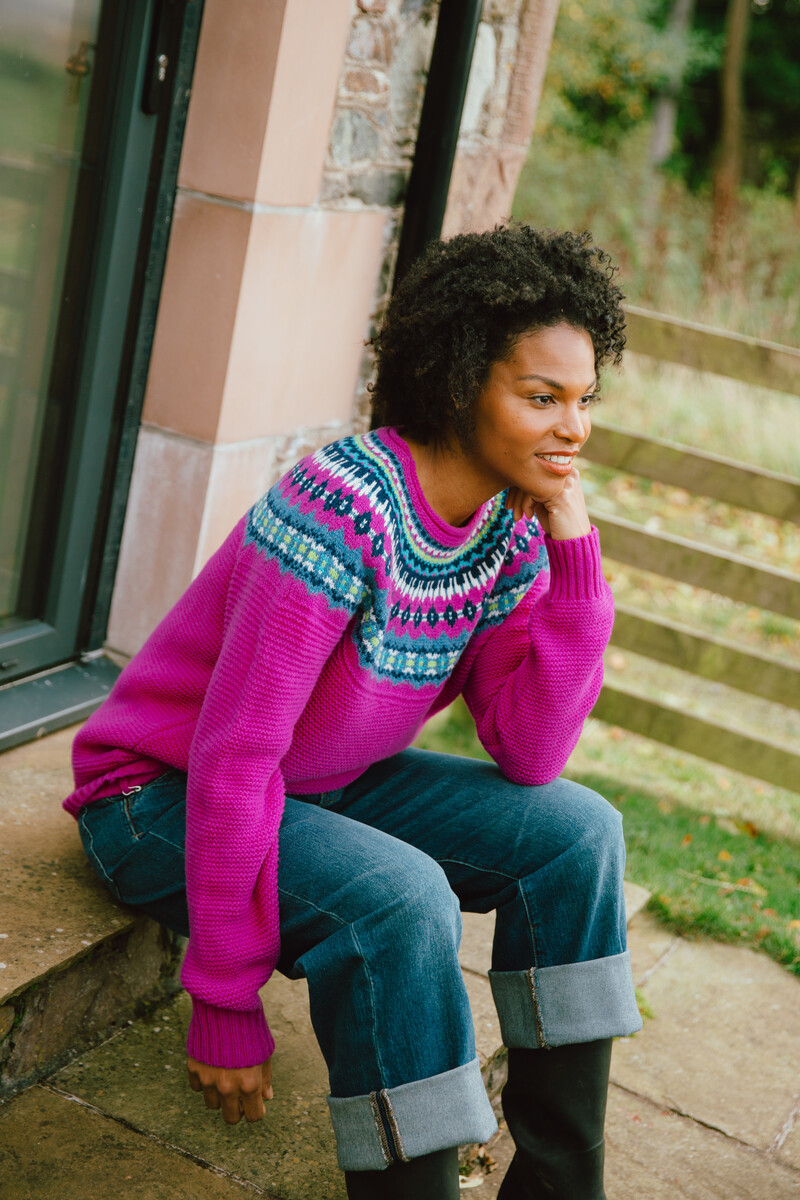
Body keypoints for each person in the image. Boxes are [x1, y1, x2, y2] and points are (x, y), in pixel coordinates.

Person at [64, 224, 642, 1199]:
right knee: (402, 896)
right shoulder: (344, 508)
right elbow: (236, 756)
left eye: (582, 400)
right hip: (157, 798)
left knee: (577, 832)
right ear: (460, 381)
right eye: (539, 397)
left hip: (319, 784)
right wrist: (222, 995)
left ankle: (555, 1184)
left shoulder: (506, 530)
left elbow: (530, 750)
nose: (571, 428)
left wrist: (574, 566)